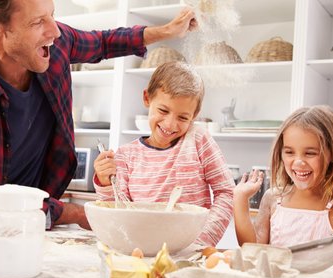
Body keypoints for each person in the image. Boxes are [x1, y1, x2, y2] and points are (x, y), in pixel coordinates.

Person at [0, 0, 198, 230]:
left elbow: (103, 43)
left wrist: (166, 31)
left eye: (52, 15)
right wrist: (78, 214)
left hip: (34, 221)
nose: (54, 31)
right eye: (37, 22)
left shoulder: (53, 47)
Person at [93, 61, 234, 246]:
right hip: (141, 249)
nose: (170, 124)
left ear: (195, 114)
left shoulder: (198, 139)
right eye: (163, 110)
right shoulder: (126, 155)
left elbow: (227, 192)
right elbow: (117, 212)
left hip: (191, 250)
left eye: (183, 117)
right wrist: (105, 181)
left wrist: (202, 241)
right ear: (147, 98)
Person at [233, 105, 333, 267]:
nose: (298, 162)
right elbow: (252, 249)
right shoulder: (273, 199)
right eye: (289, 152)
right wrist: (240, 200)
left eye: (310, 153)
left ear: (332, 154)